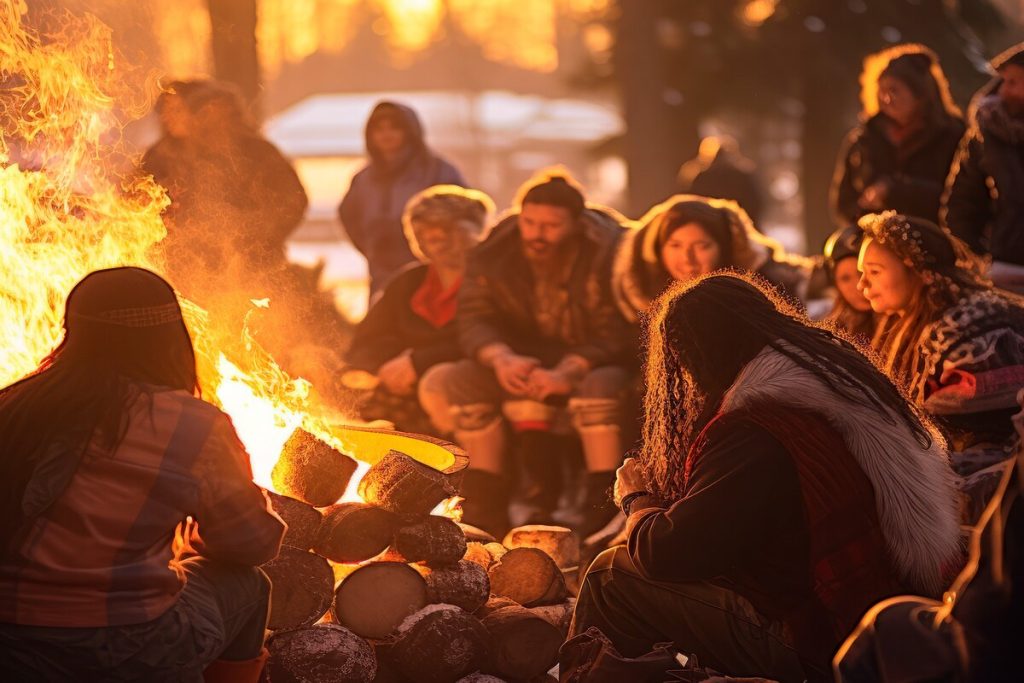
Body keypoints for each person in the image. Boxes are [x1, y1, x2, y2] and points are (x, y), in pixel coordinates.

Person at [569, 274, 961, 682]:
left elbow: (668, 554)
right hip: (873, 615)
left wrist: (637, 501)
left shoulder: (755, 428)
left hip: (819, 638)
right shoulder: (825, 389)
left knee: (610, 574)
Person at [0, 267, 285, 681]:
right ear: (171, 339)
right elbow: (252, 543)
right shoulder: (194, 424)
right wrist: (193, 542)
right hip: (126, 645)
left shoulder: (14, 406)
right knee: (248, 585)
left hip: (11, 641)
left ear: (73, 334)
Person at [425, 172, 633, 536]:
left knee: (599, 387)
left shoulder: (611, 253)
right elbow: (474, 318)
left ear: (576, 224)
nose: (537, 234)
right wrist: (500, 357)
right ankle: (485, 507)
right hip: (518, 359)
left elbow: (619, 329)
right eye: (530, 222)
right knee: (461, 380)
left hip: (592, 361)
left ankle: (600, 509)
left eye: (551, 226)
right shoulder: (493, 253)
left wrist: (570, 368)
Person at [857, 211, 1024, 453]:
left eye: (874, 271)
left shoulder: (978, 337)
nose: (862, 284)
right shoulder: (916, 324)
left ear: (918, 270)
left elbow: (985, 449)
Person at [342, 185, 494, 435]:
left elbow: (490, 338)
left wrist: (420, 362)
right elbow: (365, 343)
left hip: (461, 393)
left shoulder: (492, 282)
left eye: (448, 229)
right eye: (424, 232)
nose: (436, 239)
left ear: (476, 231)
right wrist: (388, 367)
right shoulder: (407, 283)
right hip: (398, 399)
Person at [611, 195, 811, 324]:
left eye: (702, 246)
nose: (687, 258)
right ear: (658, 250)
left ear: (723, 248)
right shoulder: (643, 295)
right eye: (675, 246)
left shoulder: (767, 294)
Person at [338, 101, 465, 300]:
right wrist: (374, 246)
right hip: (381, 275)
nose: (386, 135)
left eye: (394, 127)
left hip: (433, 275)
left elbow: (466, 217)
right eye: (379, 129)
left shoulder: (439, 172)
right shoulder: (363, 179)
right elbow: (349, 217)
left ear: (411, 132)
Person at [831, 44, 965, 227]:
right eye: (882, 91)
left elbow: (961, 198)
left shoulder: (954, 137)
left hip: (936, 239)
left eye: (894, 90)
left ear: (920, 94)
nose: (886, 99)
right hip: (871, 242)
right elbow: (843, 205)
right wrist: (864, 209)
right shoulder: (863, 141)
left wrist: (895, 192)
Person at [943, 43, 1024, 287]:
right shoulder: (985, 136)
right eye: (1004, 81)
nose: (1004, 91)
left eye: (1013, 82)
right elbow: (961, 206)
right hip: (1004, 273)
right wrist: (979, 260)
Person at [678, 136, 764, 226]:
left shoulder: (698, 175)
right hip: (734, 223)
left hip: (709, 224)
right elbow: (755, 202)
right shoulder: (742, 175)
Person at [822, 225, 876, 339]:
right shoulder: (832, 333)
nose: (859, 285)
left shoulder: (906, 330)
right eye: (845, 278)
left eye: (862, 273)